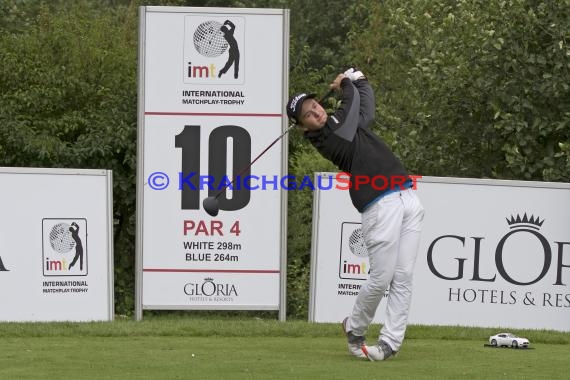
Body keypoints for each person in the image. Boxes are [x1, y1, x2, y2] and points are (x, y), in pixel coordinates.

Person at [286, 69, 425, 361]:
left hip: (407, 196)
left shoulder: (343, 124)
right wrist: (347, 83)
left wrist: (361, 81)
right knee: (382, 277)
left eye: (316, 106)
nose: (317, 113)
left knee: (403, 277)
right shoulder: (327, 136)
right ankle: (356, 328)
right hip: (379, 203)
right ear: (302, 127)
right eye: (308, 115)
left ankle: (389, 343)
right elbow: (349, 111)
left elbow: (365, 111)